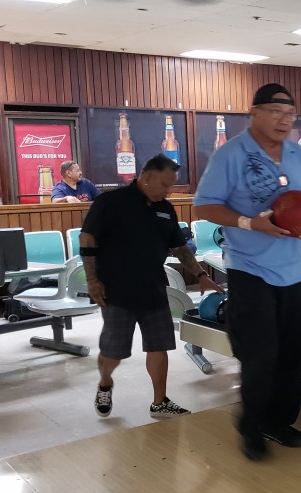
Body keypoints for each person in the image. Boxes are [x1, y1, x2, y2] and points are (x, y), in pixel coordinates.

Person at [194, 83, 301, 461]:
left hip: (294, 269)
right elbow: (204, 206)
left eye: (290, 115)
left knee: (293, 349)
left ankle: (278, 421)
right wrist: (250, 222)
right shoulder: (230, 155)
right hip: (249, 267)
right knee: (260, 351)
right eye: (275, 112)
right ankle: (251, 425)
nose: (284, 120)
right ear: (254, 113)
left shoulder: (298, 156)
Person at [81, 154, 222, 422]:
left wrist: (201, 274)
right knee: (113, 351)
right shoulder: (110, 202)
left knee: (159, 346)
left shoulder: (165, 209)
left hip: (154, 288)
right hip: (116, 291)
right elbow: (87, 238)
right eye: (165, 184)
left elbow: (179, 247)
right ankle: (105, 383)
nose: (168, 191)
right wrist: (92, 281)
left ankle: (160, 402)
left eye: (171, 185)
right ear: (147, 177)